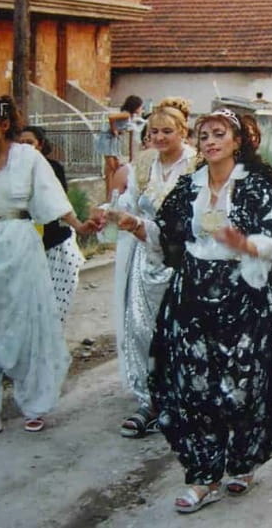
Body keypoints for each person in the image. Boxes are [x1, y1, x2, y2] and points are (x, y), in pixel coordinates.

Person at [114, 108, 272, 513]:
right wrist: (135, 225)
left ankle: (244, 461)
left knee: (242, 384)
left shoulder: (255, 187)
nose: (210, 141)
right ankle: (203, 476)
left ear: (237, 141)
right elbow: (167, 235)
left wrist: (246, 244)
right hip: (194, 295)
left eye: (219, 134)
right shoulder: (189, 186)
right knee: (193, 383)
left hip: (244, 297)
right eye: (204, 136)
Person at [0, 96, 97, 445]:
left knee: (27, 324)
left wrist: (81, 225)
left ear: (5, 125)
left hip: (21, 244)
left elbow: (52, 200)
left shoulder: (29, 158)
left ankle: (35, 405)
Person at [107, 97, 198, 439]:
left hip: (183, 258)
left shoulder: (197, 164)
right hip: (146, 257)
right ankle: (151, 401)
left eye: (167, 131)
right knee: (144, 329)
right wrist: (113, 212)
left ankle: (186, 400)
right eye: (154, 131)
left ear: (182, 132)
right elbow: (128, 204)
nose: (160, 138)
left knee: (185, 331)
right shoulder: (143, 164)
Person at [19, 125, 85, 323]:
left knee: (54, 300)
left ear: (40, 145)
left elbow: (59, 203)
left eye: (29, 143)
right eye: (20, 143)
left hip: (52, 238)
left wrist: (79, 225)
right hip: (22, 241)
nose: (25, 147)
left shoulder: (53, 167)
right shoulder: (10, 170)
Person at [96, 95, 144, 196]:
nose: (141, 109)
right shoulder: (125, 114)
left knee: (111, 169)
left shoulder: (130, 116)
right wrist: (114, 129)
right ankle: (110, 194)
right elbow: (111, 117)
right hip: (108, 138)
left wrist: (119, 130)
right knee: (112, 167)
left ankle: (109, 193)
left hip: (113, 140)